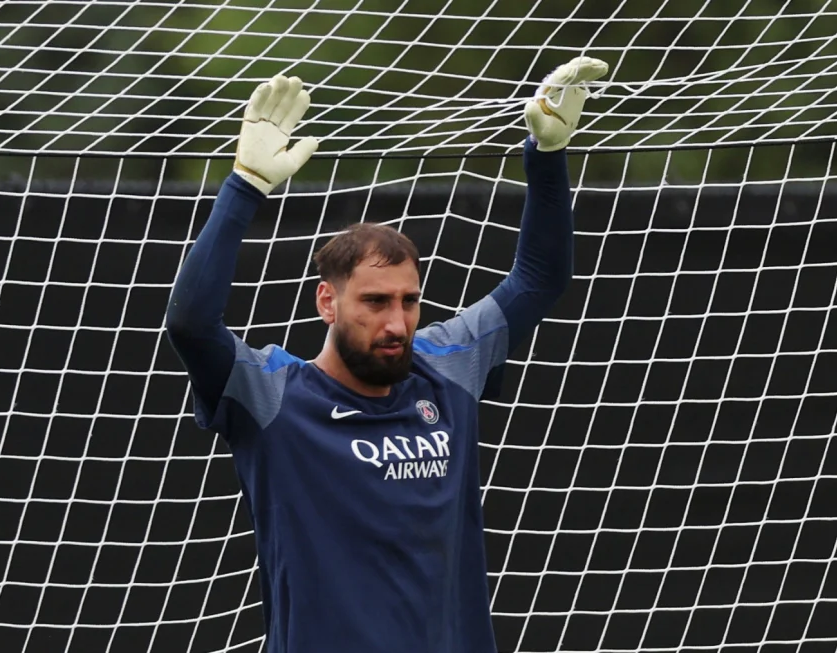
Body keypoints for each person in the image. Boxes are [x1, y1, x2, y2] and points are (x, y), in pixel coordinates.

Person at [165, 57, 607, 653]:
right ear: (328, 301)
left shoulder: (447, 365)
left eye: (408, 301)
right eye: (374, 301)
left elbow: (539, 279)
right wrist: (244, 184)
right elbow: (191, 322)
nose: (396, 322)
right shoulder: (272, 394)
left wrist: (548, 156)